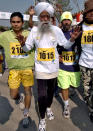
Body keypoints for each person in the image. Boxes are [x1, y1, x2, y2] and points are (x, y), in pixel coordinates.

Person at [17, 2, 81, 131]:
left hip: (53, 69)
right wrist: (22, 44)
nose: (45, 19)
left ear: (50, 17)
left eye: (47, 16)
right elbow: (27, 48)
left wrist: (72, 39)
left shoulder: (56, 30)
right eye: (42, 16)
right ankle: (42, 119)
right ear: (39, 18)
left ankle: (48, 108)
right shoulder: (34, 30)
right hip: (40, 69)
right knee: (41, 95)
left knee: (50, 93)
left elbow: (65, 45)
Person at [0, 12, 34, 128]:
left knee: (28, 91)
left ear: (22, 22)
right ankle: (19, 98)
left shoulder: (29, 34)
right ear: (10, 23)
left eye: (18, 22)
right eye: (13, 22)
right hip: (13, 70)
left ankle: (26, 114)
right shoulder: (5, 36)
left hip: (27, 68)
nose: (16, 24)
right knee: (13, 94)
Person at [57, 11, 81, 118]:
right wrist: (56, 56)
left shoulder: (77, 32)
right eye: (64, 20)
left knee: (74, 85)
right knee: (64, 87)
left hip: (75, 67)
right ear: (61, 22)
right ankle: (66, 105)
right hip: (62, 67)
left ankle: (71, 90)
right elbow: (52, 46)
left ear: (71, 21)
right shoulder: (58, 33)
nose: (66, 22)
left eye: (68, 20)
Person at [75, 0, 93, 122]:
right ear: (85, 14)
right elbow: (73, 43)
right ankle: (91, 110)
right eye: (89, 12)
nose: (92, 14)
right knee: (87, 92)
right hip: (84, 65)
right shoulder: (79, 27)